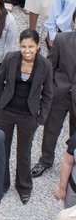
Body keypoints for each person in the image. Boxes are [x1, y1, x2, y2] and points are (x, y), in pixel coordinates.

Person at [0, 28, 54, 204]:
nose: (27, 50)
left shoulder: (45, 65)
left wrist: (41, 118)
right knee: (2, 150)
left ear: (38, 46)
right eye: (23, 46)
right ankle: (2, 185)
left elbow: (48, 93)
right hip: (6, 112)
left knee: (24, 152)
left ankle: (24, 186)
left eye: (31, 47)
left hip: (29, 115)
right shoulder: (10, 59)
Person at [35, 12, 76, 179]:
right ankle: (45, 160)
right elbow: (49, 66)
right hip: (60, 93)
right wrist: (50, 88)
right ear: (73, 21)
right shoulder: (61, 40)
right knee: (51, 128)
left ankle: (72, 162)